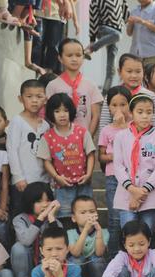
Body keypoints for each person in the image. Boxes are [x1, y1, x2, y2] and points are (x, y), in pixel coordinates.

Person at [113, 93, 155, 231]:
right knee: (128, 234)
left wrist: (142, 191)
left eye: (149, 112)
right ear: (131, 113)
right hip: (127, 194)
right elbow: (118, 166)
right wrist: (132, 190)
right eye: (140, 112)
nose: (145, 116)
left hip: (150, 196)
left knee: (146, 233)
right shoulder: (121, 137)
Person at [37, 93, 96, 222]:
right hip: (62, 186)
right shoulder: (47, 137)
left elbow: (90, 154)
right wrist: (57, 178)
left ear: (71, 111)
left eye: (65, 110)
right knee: (65, 218)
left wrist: (89, 174)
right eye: (57, 111)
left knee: (87, 217)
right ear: (51, 113)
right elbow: (46, 162)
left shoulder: (82, 132)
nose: (62, 114)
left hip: (83, 184)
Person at [10, 183, 62, 277]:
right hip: (27, 268)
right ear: (29, 202)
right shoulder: (20, 219)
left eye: (48, 200)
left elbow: (60, 244)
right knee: (18, 248)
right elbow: (26, 240)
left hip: (45, 270)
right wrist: (40, 218)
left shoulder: (54, 221)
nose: (45, 205)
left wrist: (51, 219)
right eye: (39, 201)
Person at [7, 80, 50, 216]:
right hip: (23, 181)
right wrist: (18, 177)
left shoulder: (45, 125)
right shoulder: (17, 122)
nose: (34, 101)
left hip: (42, 181)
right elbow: (12, 150)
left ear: (45, 99)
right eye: (29, 96)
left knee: (41, 217)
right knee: (21, 216)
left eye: (39, 96)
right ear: (21, 99)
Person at [98, 86, 132, 257]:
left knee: (129, 221)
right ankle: (113, 258)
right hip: (113, 178)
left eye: (123, 105)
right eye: (114, 105)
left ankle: (129, 257)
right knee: (114, 220)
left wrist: (125, 127)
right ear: (108, 107)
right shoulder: (106, 130)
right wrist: (116, 155)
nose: (119, 109)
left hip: (132, 179)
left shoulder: (134, 128)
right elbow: (102, 157)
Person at [46, 38, 103, 136]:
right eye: (69, 55)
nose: (74, 59)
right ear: (60, 58)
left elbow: (96, 116)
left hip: (84, 140)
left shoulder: (91, 85)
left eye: (78, 55)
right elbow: (49, 115)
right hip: (59, 140)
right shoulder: (52, 85)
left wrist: (87, 139)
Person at [98, 54, 155, 132]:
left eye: (138, 71)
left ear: (143, 72)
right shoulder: (112, 94)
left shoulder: (150, 95)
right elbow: (104, 125)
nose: (134, 75)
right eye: (129, 71)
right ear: (119, 72)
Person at [66, 195, 108, 277]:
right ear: (74, 218)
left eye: (91, 211)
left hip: (95, 270)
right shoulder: (70, 233)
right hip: (80, 269)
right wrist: (85, 230)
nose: (88, 215)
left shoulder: (104, 232)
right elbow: (75, 253)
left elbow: (99, 253)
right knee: (75, 261)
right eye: (83, 213)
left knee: (97, 261)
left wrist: (98, 231)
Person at [86, 0, 128, 93]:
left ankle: (105, 93)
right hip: (104, 29)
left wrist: (125, 3)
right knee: (118, 35)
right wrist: (92, 40)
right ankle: (92, 48)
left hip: (116, 33)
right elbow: (93, 19)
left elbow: (125, 18)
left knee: (111, 67)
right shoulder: (96, 1)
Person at [126, 0, 155, 65]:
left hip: (151, 55)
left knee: (152, 74)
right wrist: (130, 24)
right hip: (134, 55)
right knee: (135, 75)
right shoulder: (134, 11)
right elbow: (129, 33)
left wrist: (143, 22)